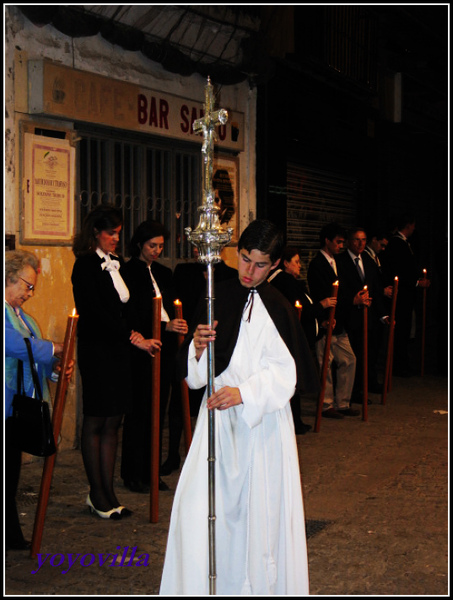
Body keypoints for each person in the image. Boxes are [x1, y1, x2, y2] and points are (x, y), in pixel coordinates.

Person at [160, 220, 319, 595]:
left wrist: (244, 392)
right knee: (202, 511)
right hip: (216, 425)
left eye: (260, 264)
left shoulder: (278, 307)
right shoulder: (217, 295)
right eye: (244, 259)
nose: (249, 271)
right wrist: (198, 349)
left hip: (259, 429)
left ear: (275, 264)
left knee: (255, 517)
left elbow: (286, 374)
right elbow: (195, 377)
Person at [5, 250, 73, 549]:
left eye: (33, 287)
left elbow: (34, 356)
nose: (30, 293)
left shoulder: (24, 317)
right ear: (8, 278)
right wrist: (57, 347)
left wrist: (56, 369)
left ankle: (10, 533)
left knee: (10, 471)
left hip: (16, 406)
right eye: (27, 286)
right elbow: (17, 346)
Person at [72, 204, 136, 519]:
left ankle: (109, 491)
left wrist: (131, 333)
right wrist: (127, 333)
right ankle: (96, 493)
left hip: (118, 350)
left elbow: (124, 306)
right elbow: (94, 312)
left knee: (114, 420)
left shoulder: (117, 263)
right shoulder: (84, 265)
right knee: (96, 418)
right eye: (111, 233)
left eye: (118, 234)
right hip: (97, 349)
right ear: (96, 232)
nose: (115, 239)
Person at [120, 220, 188, 492]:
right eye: (152, 245)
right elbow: (133, 313)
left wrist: (177, 323)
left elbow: (170, 305)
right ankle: (134, 472)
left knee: (158, 411)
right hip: (140, 349)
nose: (157, 250)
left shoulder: (163, 272)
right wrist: (162, 326)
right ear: (139, 244)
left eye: (160, 246)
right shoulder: (128, 272)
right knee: (139, 413)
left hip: (165, 348)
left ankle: (151, 470)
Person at [161, 251, 237, 475]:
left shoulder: (229, 274)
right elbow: (174, 300)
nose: (198, 250)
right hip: (189, 343)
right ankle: (174, 454)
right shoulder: (184, 272)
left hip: (219, 346)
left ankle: (213, 456)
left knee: (214, 402)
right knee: (179, 403)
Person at [269, 246, 335, 433]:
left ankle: (295, 420)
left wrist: (320, 323)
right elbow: (300, 311)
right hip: (290, 340)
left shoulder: (288, 281)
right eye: (296, 262)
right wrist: (322, 305)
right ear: (285, 263)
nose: (300, 266)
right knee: (292, 380)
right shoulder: (285, 282)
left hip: (296, 337)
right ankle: (293, 421)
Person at [307, 223, 358, 419]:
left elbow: (344, 289)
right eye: (338, 242)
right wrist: (325, 318)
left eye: (343, 242)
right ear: (327, 241)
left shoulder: (340, 262)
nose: (340, 246)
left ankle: (343, 401)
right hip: (326, 321)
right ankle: (326, 404)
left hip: (340, 321)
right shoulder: (317, 265)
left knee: (349, 359)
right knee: (325, 365)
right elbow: (320, 293)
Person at [336, 227, 389, 399]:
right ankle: (354, 390)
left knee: (369, 352)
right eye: (356, 240)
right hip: (350, 315)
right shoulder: (341, 261)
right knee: (354, 354)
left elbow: (375, 287)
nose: (360, 244)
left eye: (363, 240)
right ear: (349, 242)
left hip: (368, 315)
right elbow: (341, 288)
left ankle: (368, 383)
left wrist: (382, 314)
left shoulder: (367, 259)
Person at [380, 212, 431, 377]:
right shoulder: (397, 244)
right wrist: (416, 282)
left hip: (406, 294)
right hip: (401, 295)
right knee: (401, 330)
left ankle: (401, 362)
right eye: (413, 225)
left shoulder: (404, 243)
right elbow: (402, 270)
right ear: (408, 225)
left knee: (405, 329)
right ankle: (397, 365)